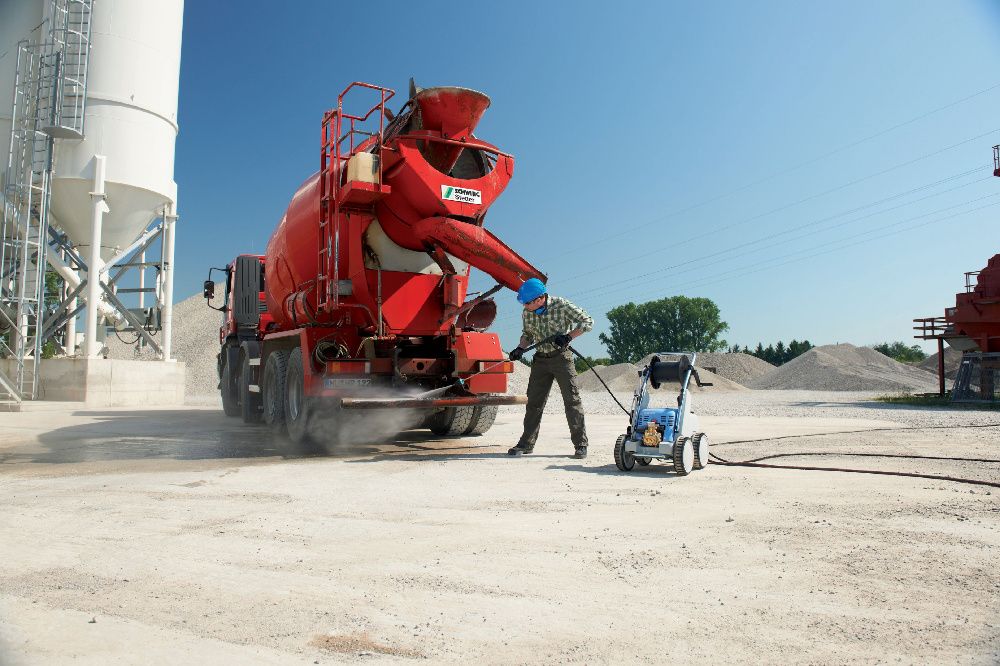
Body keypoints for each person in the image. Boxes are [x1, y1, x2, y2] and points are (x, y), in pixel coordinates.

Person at [507, 278, 593, 459]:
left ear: (539, 299)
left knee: (572, 401)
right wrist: (520, 348)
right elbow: (528, 334)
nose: (524, 306)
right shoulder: (527, 312)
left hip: (561, 358)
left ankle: (580, 445)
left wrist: (568, 337)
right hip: (540, 360)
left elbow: (587, 321)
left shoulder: (561, 305)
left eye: (526, 302)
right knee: (533, 404)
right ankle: (526, 443)